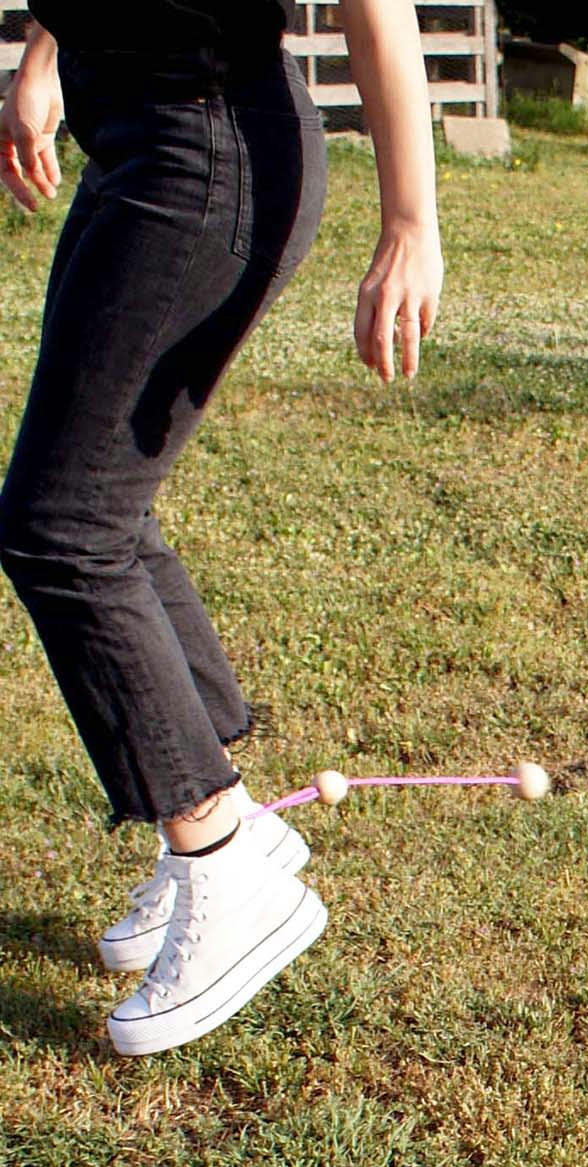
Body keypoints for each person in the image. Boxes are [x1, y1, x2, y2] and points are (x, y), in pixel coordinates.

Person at [0, 1, 442, 1056]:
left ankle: (220, 853)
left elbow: (376, 6)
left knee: (62, 524)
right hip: (133, 145)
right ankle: (217, 825)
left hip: (208, 152)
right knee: (97, 501)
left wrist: (411, 223)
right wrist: (45, 59)